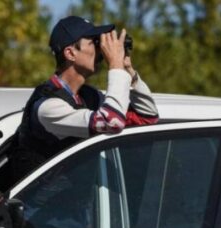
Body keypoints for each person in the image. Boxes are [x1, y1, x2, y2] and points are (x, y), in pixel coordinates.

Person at [11, 16, 159, 183]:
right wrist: (115, 66)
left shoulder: (88, 97)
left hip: (76, 203)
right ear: (70, 53)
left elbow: (147, 117)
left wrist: (128, 71)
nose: (100, 49)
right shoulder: (48, 106)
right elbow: (112, 122)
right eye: (94, 42)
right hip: (43, 206)